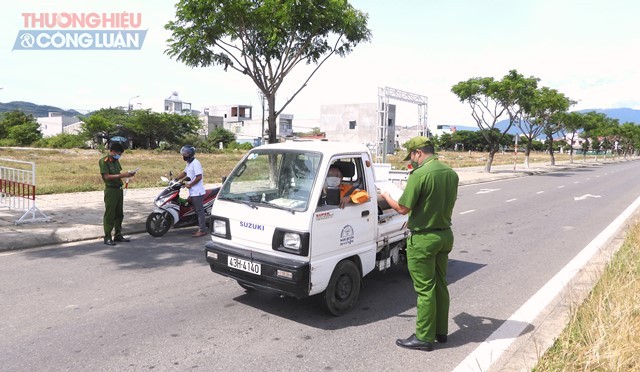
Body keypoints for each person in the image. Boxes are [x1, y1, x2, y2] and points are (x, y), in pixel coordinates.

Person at [380, 136, 459, 351]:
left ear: (418, 153)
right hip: (444, 235)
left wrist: (386, 196)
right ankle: (441, 331)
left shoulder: (419, 174)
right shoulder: (450, 174)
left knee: (425, 290)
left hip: (424, 239)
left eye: (412, 156)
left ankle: (424, 337)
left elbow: (403, 208)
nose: (412, 161)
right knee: (441, 284)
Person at [99, 142, 136, 246]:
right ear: (113, 151)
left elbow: (118, 174)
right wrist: (123, 175)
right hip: (111, 190)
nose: (119, 155)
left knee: (119, 214)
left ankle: (118, 235)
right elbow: (107, 177)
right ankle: (107, 237)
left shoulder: (116, 161)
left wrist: (128, 175)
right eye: (118, 153)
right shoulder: (104, 161)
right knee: (110, 214)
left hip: (119, 189)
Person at [174, 145, 207, 237]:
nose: (184, 155)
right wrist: (176, 179)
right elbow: (185, 173)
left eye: (185, 154)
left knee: (199, 211)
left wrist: (190, 184)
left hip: (197, 192)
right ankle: (197, 226)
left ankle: (202, 230)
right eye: (183, 154)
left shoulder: (196, 163)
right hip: (191, 191)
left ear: (190, 154)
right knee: (192, 209)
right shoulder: (189, 163)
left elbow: (199, 177)